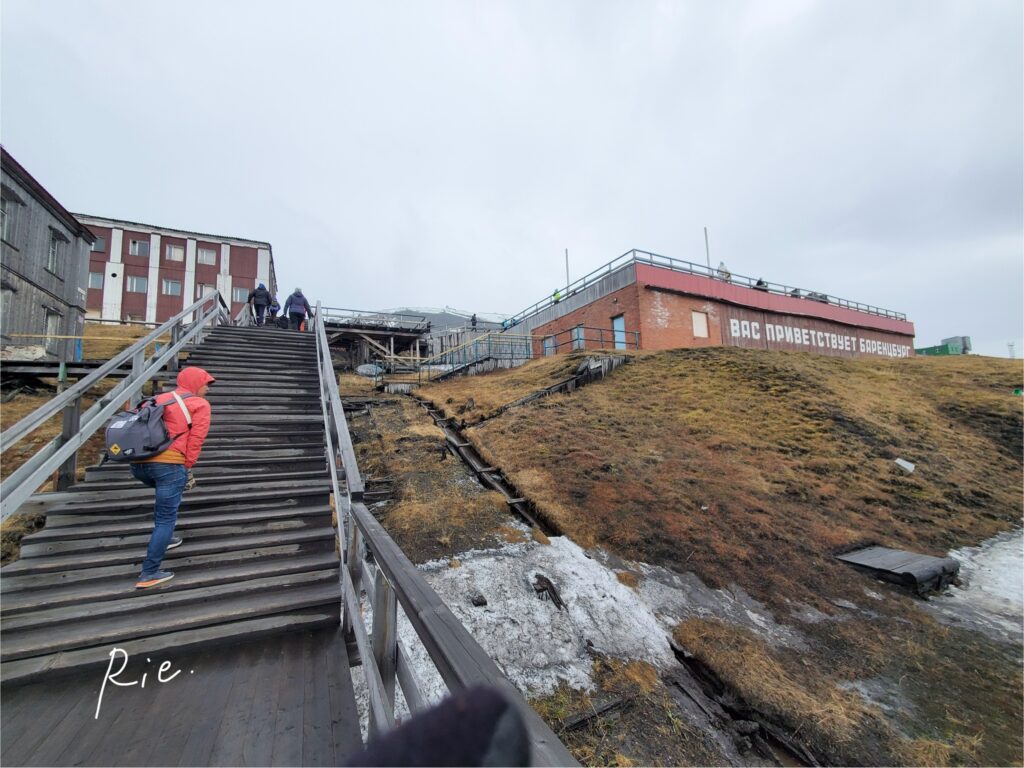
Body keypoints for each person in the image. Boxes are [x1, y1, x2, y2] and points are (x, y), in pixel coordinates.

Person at [131, 366, 214, 588]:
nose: (207, 388)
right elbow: (196, 439)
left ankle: (164, 537)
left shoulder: (159, 399)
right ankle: (149, 573)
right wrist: (186, 466)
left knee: (164, 509)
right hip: (169, 464)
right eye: (205, 383)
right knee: (166, 517)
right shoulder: (199, 404)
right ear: (196, 383)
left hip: (139, 464)